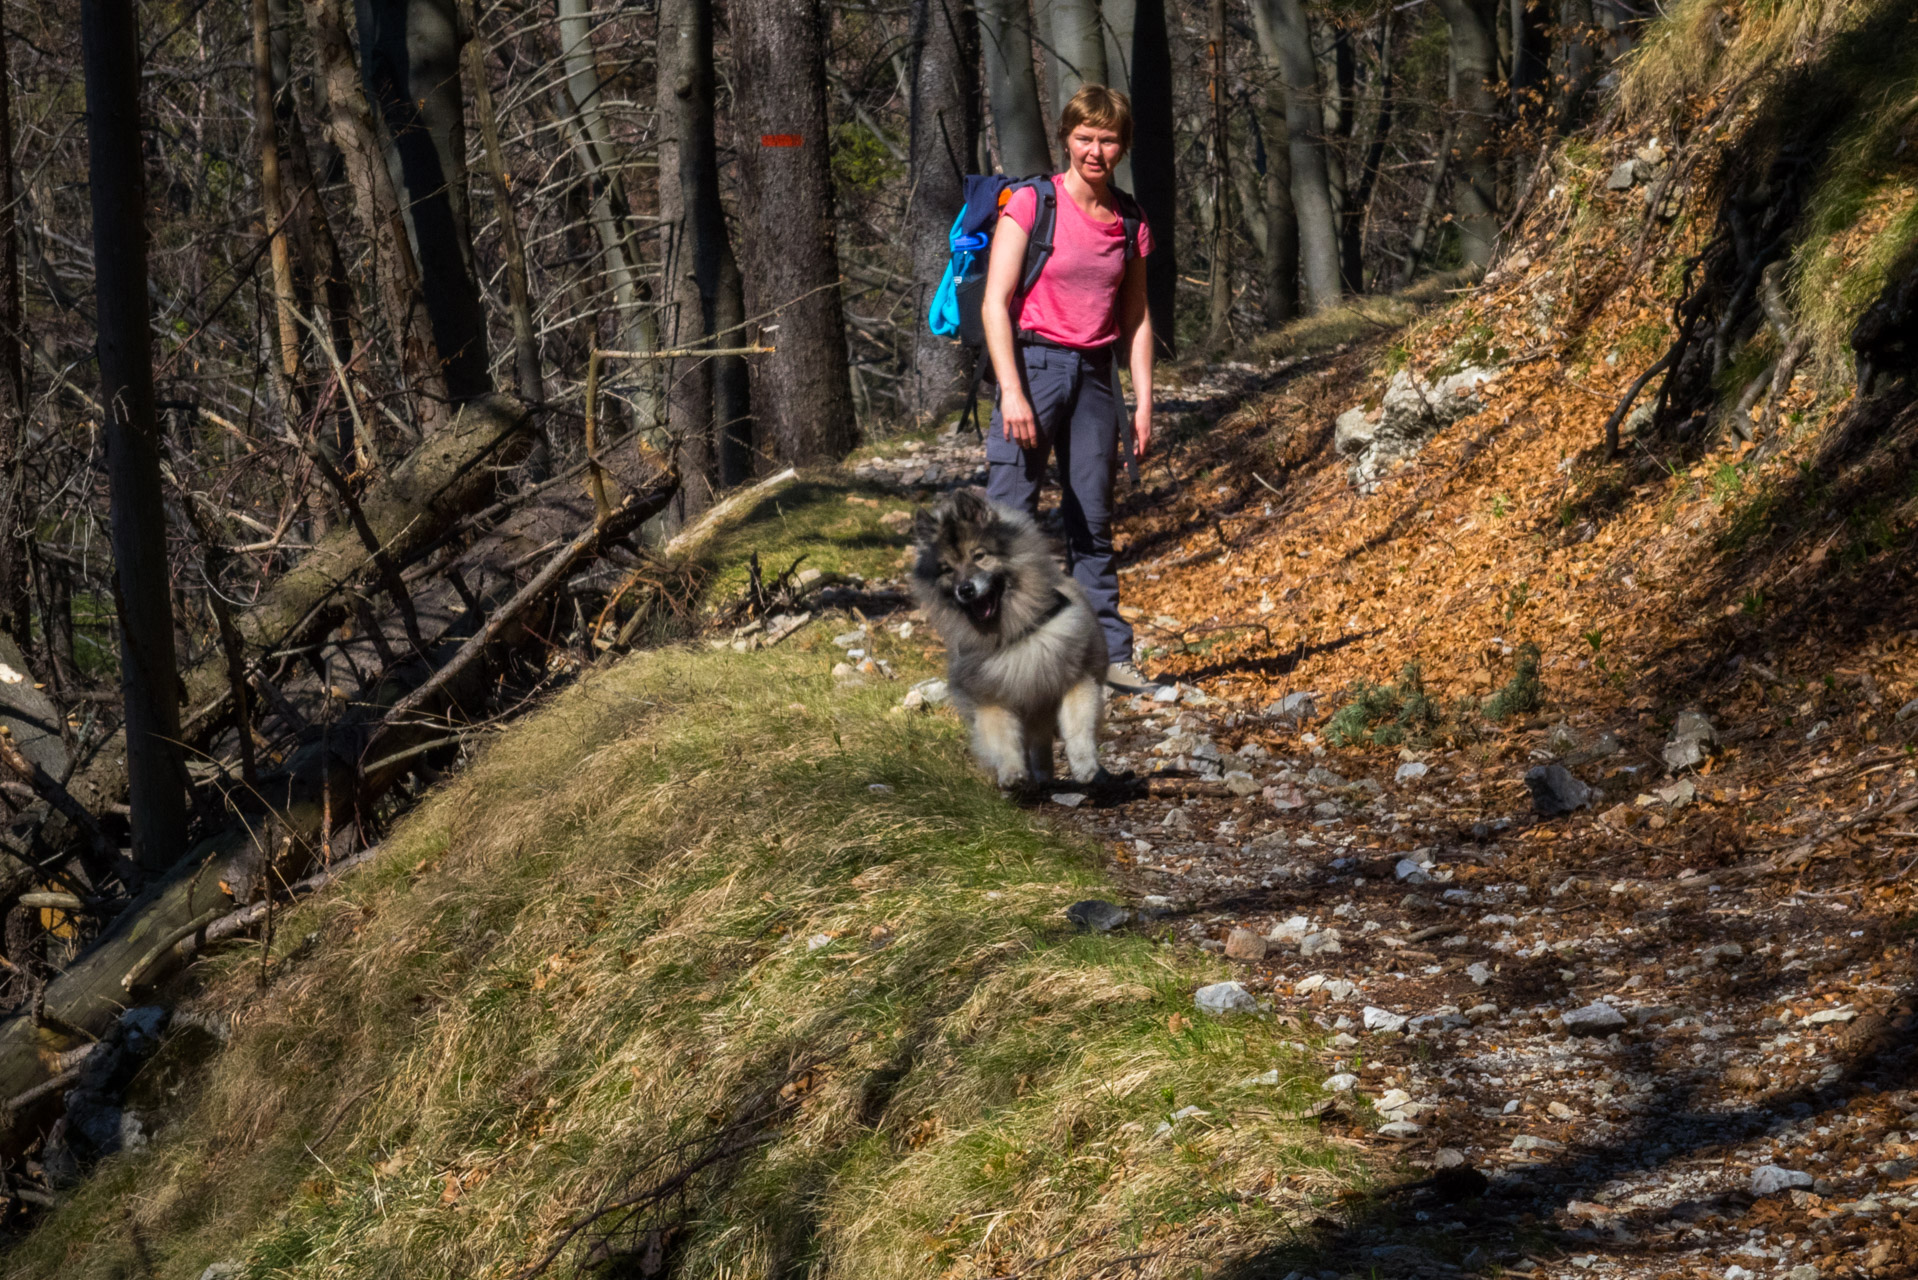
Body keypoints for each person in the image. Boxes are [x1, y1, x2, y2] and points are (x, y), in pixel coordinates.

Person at [979, 84, 1162, 696]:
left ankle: (1107, 655)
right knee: (1010, 516)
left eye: (1108, 139)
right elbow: (994, 304)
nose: (1095, 149)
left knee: (1093, 520)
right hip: (1031, 365)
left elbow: (1135, 318)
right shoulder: (1033, 203)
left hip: (1094, 378)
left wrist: (1143, 400)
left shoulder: (1130, 219)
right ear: (1067, 139)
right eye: (1085, 137)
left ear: (1122, 146)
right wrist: (1010, 390)